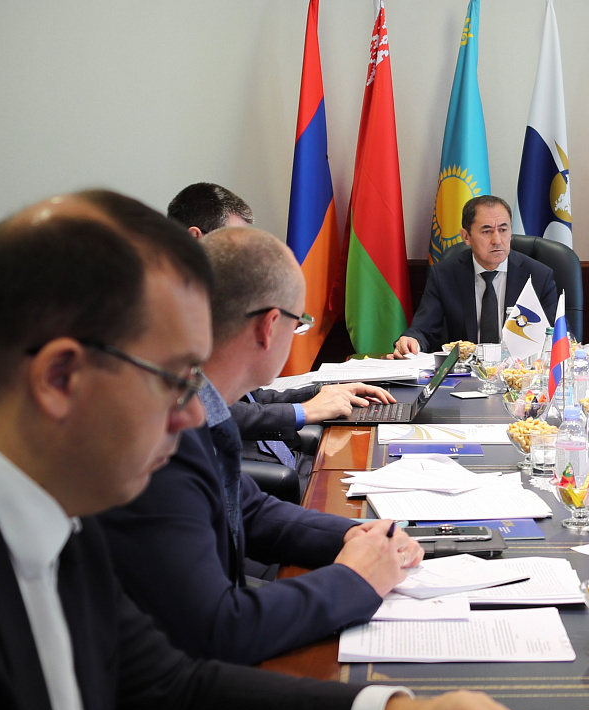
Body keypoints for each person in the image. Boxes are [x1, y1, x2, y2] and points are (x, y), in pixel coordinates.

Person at [0, 190, 565, 710]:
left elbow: (170, 692)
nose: (197, 411)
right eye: (177, 377)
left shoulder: (54, 509)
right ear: (60, 378)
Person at [98, 226, 422, 665]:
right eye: (299, 322)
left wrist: (352, 534)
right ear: (270, 326)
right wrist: (355, 579)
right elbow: (218, 628)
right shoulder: (164, 423)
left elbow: (246, 508)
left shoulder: (200, 399)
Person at [167, 182, 396, 484]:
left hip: (278, 468)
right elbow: (207, 408)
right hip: (260, 477)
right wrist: (303, 411)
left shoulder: (209, 300)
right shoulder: (172, 315)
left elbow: (248, 397)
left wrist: (324, 391)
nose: (245, 257)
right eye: (234, 243)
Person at [394, 195, 559, 355]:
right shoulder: (444, 275)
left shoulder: (538, 276)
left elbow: (556, 335)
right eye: (487, 231)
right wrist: (411, 341)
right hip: (464, 370)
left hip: (519, 370)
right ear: (466, 237)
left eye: (503, 230)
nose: (497, 240)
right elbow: (424, 329)